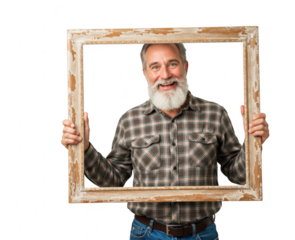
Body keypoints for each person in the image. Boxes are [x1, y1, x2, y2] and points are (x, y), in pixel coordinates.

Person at [61, 43, 270, 239]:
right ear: (145, 74)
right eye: (155, 67)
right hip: (146, 233)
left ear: (186, 66)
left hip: (203, 233)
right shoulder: (129, 120)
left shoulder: (215, 113)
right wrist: (85, 149)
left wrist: (254, 143)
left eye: (172, 64)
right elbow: (113, 180)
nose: (166, 75)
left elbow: (238, 173)